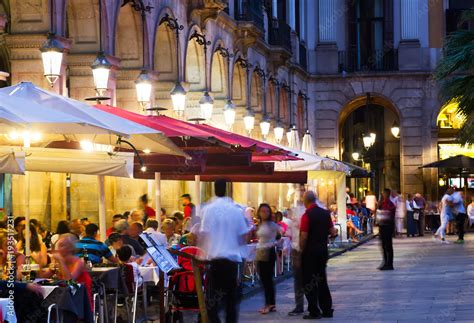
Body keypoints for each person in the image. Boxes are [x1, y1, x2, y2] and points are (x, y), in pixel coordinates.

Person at [199, 179, 248, 323]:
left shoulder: (208, 209)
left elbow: (204, 233)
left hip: (215, 260)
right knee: (231, 300)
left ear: (214, 189)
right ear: (226, 189)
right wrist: (237, 247)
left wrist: (203, 251)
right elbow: (243, 235)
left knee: (213, 299)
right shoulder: (235, 209)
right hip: (231, 261)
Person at [299, 191, 337, 319]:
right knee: (321, 279)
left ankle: (314, 311)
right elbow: (332, 231)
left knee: (309, 281)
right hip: (322, 251)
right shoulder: (325, 214)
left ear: (306, 201)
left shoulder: (307, 215)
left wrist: (301, 250)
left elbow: (304, 236)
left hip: (310, 252)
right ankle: (327, 309)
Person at [42, 233, 93, 310]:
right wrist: (49, 269)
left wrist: (61, 262)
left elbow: (69, 282)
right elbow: (42, 278)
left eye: (62, 245)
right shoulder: (58, 262)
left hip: (79, 300)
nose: (58, 249)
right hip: (64, 298)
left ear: (70, 248)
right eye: (58, 245)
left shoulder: (79, 262)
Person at [255, 203, 280, 314]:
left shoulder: (271, 225)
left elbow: (279, 235)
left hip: (268, 252)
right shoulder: (260, 224)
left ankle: (268, 304)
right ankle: (271, 303)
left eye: (267, 211)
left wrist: (273, 242)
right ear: (259, 212)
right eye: (262, 211)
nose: (264, 213)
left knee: (266, 279)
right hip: (261, 252)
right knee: (265, 279)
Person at [377, 188, 396, 270]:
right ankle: (385, 262)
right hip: (382, 226)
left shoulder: (390, 204)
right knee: (383, 245)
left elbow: (389, 214)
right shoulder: (382, 203)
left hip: (387, 226)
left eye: (384, 194)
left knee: (388, 245)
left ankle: (389, 263)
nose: (383, 195)